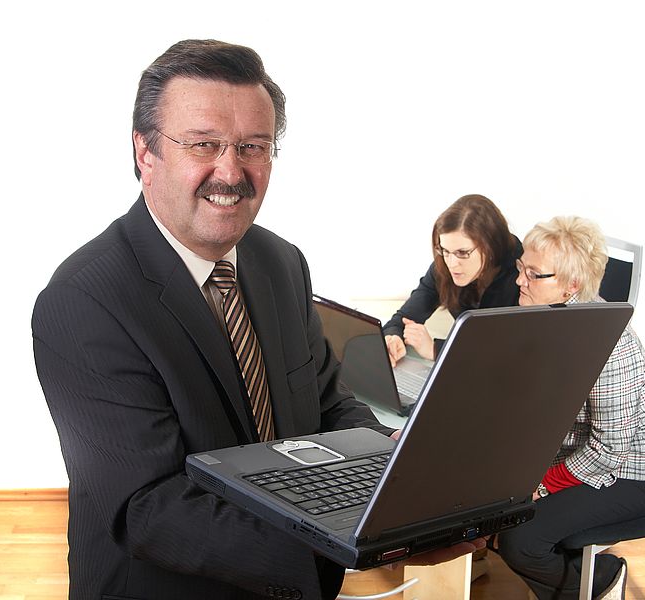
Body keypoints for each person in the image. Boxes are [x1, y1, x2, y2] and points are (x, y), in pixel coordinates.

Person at [31, 39, 482, 600]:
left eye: (253, 146)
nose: (231, 170)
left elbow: (325, 404)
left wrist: (400, 467)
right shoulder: (84, 301)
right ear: (145, 153)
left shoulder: (280, 262)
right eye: (204, 144)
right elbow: (148, 507)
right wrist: (360, 543)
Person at [494, 216, 645, 600]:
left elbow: (611, 449)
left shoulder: (609, 345)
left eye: (534, 274)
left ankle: (600, 581)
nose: (519, 281)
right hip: (586, 453)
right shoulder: (547, 314)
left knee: (519, 538)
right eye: (520, 269)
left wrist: (543, 483)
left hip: (637, 470)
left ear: (572, 284)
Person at [382, 194, 522, 365]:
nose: (451, 264)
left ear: (490, 246)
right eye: (445, 250)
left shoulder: (522, 278)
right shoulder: (443, 265)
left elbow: (507, 355)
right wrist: (392, 338)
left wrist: (435, 349)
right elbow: (403, 319)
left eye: (462, 253)